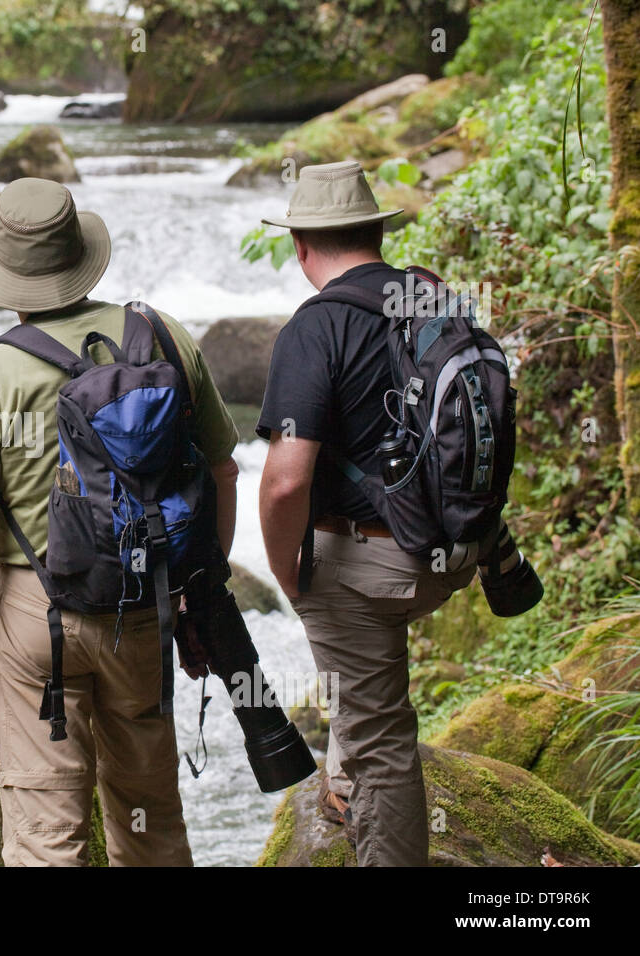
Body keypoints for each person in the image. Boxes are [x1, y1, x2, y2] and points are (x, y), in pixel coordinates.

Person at [0, 177, 239, 866]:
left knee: (46, 834)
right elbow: (222, 471)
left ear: (6, 276)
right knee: (150, 820)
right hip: (146, 601)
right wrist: (197, 598)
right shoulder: (162, 336)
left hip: (41, 619)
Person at [255, 160, 475, 866]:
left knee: (384, 741)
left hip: (366, 566)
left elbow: (286, 484)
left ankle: (368, 808)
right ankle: (340, 782)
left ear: (301, 245)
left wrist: (284, 570)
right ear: (378, 231)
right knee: (366, 668)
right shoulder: (440, 303)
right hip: (450, 549)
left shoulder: (313, 330)